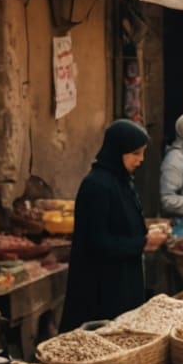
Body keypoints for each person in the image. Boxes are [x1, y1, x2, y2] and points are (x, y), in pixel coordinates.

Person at [64, 120, 161, 326]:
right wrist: (141, 243)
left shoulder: (123, 180)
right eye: (135, 153)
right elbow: (97, 242)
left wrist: (146, 234)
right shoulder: (97, 186)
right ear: (118, 151)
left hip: (123, 279)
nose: (141, 159)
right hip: (102, 286)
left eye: (142, 153)